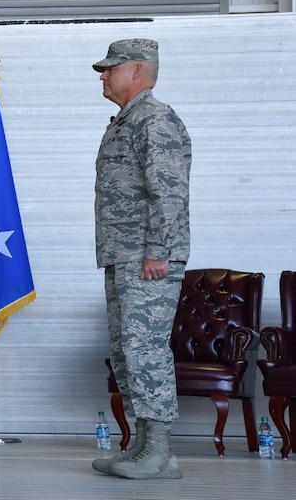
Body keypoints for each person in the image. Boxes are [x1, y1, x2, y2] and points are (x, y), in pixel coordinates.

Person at [90, 39, 191, 480]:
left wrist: (159, 252)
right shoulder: (126, 121)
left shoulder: (155, 119)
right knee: (127, 351)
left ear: (135, 70)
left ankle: (162, 453)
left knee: (146, 349)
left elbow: (168, 191)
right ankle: (142, 446)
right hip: (122, 254)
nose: (103, 76)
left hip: (147, 256)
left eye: (110, 69)